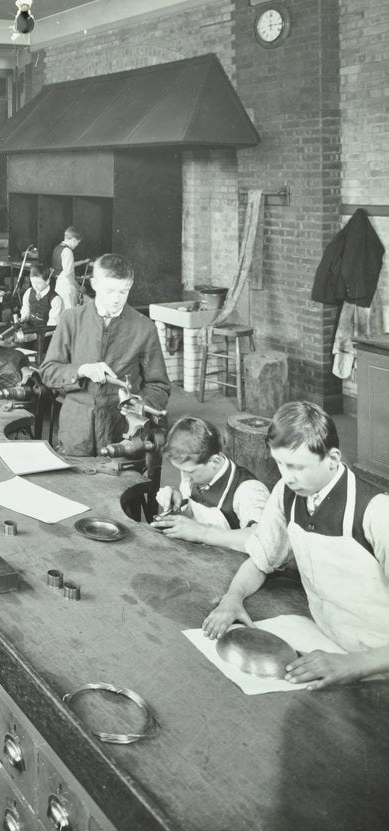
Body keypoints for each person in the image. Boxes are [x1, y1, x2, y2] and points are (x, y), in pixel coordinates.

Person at [203, 402, 389, 690]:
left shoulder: (376, 512)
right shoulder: (286, 493)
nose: (287, 476)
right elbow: (261, 558)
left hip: (377, 662)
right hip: (327, 642)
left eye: (297, 466)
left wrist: (354, 665)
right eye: (280, 463)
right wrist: (233, 597)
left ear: (332, 458)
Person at [39, 253, 170, 456]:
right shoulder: (71, 320)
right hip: (77, 426)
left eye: (123, 291)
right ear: (94, 284)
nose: (116, 299)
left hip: (122, 427)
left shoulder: (144, 328)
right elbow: (48, 372)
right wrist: (82, 370)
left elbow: (159, 385)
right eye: (109, 291)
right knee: (74, 484)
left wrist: (140, 403)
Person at [151, 416, 269, 550]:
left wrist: (201, 533)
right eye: (181, 470)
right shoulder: (193, 474)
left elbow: (262, 541)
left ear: (215, 462)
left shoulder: (250, 491)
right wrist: (181, 503)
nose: (185, 477)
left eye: (190, 471)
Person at [51, 226, 84, 310]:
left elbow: (66, 265)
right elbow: (68, 274)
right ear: (73, 240)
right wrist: (79, 287)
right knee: (70, 313)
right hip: (67, 287)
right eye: (77, 242)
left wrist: (83, 262)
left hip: (59, 285)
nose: (77, 245)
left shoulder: (58, 248)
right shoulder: (68, 251)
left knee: (61, 311)